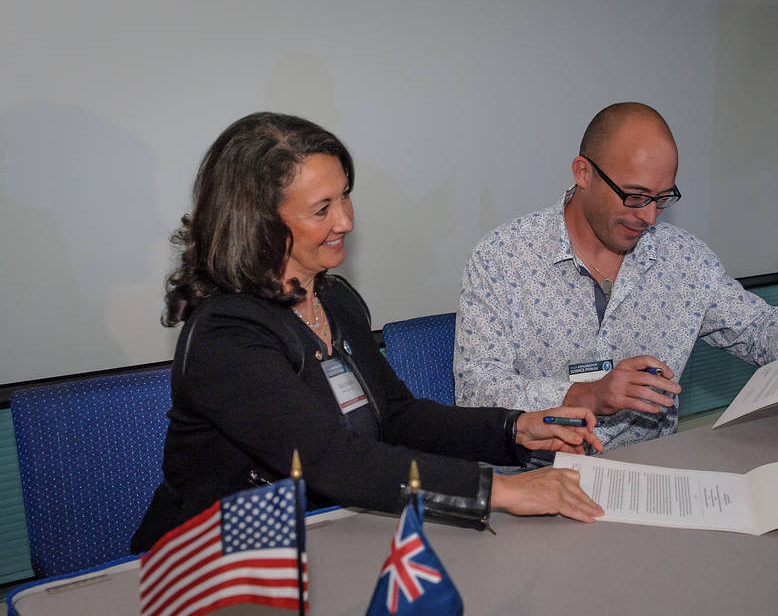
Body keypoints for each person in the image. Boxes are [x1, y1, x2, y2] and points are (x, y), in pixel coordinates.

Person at [131, 112, 604, 553]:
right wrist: (498, 491)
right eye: (322, 210)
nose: (346, 221)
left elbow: (396, 418)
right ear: (259, 224)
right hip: (217, 566)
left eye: (345, 196)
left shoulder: (333, 299)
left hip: (327, 540)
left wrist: (515, 430)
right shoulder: (226, 336)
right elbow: (330, 458)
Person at [454, 102, 778, 453]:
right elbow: (476, 394)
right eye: (635, 197)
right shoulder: (503, 259)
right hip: (532, 480)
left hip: (654, 476)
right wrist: (588, 395)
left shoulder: (683, 260)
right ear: (583, 173)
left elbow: (757, 328)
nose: (650, 217)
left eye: (662, 197)